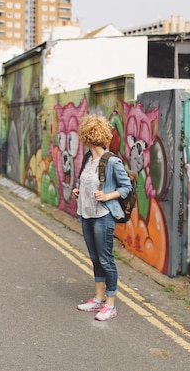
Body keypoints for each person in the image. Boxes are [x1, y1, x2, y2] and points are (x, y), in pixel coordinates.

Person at [72, 114, 132, 321]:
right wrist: (79, 192)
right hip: (87, 214)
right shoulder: (88, 160)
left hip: (103, 216)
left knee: (106, 260)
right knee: (95, 258)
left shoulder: (112, 161)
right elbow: (89, 184)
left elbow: (127, 188)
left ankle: (110, 304)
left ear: (87, 137)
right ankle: (98, 299)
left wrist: (107, 196)